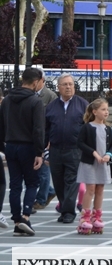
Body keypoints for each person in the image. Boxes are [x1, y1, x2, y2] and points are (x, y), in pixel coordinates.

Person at [0, 68, 45, 236]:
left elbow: (1, 125)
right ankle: (26, 216)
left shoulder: (7, 100)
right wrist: (39, 152)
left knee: (15, 185)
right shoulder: (35, 101)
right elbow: (38, 129)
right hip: (29, 146)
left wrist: (3, 147)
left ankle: (17, 220)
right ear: (35, 82)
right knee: (32, 183)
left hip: (11, 145)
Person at [46, 73, 89, 224]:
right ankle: (64, 208)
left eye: (71, 84)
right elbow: (46, 129)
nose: (68, 87)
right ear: (59, 88)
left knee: (71, 182)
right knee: (58, 182)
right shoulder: (51, 106)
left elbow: (88, 128)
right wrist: (43, 151)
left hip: (75, 150)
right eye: (65, 84)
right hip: (56, 150)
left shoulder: (82, 104)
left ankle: (69, 212)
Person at [76, 98, 112, 235]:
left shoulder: (108, 129)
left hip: (102, 163)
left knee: (100, 188)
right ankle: (85, 217)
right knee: (90, 188)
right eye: (103, 109)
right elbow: (80, 143)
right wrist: (94, 154)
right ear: (94, 112)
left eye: (107, 110)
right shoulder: (87, 127)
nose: (106, 112)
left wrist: (108, 155)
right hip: (90, 162)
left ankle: (97, 216)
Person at [33, 71, 57, 212]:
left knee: (43, 171)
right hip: (33, 136)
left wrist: (49, 139)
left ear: (42, 80)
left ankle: (41, 198)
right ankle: (49, 191)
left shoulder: (50, 96)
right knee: (33, 171)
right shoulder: (30, 93)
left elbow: (53, 119)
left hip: (44, 137)